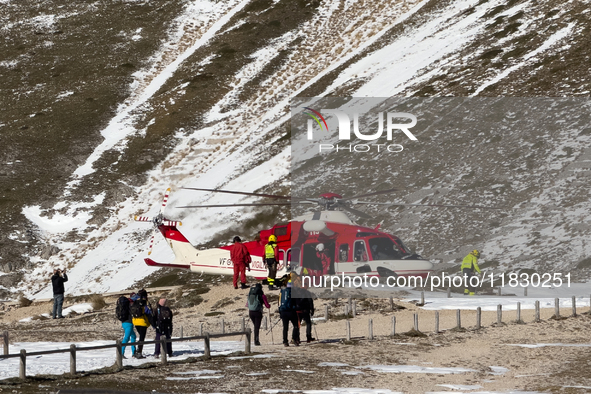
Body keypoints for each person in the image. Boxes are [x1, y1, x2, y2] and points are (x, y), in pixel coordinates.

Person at [293, 274, 316, 343]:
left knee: (297, 325)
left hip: (297, 310)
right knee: (308, 323)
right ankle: (308, 337)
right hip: (305, 310)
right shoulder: (307, 292)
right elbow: (310, 301)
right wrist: (312, 310)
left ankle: (297, 338)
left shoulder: (296, 292)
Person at [130, 289, 153, 359]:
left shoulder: (135, 300)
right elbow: (148, 311)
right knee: (142, 338)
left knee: (140, 337)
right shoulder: (145, 302)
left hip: (135, 321)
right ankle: (139, 352)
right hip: (142, 322)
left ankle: (136, 351)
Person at [279, 281, 300, 347]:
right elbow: (296, 302)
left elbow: (279, 301)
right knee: (296, 325)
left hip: (283, 311)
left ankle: (285, 341)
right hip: (291, 311)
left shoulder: (282, 291)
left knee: (285, 327)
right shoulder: (293, 292)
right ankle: (294, 339)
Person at [118, 293, 136, 358]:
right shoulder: (129, 307)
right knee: (126, 338)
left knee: (133, 336)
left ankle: (134, 352)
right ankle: (121, 353)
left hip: (124, 323)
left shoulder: (123, 307)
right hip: (129, 324)